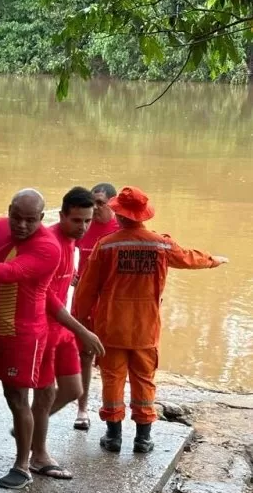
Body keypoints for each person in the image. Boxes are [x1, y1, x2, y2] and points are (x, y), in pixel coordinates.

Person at [0, 189, 103, 490]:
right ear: (8, 210)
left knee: (18, 398)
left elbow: (6, 272)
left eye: (30, 220)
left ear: (41, 218)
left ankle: (23, 465)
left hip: (24, 336)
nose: (22, 225)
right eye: (17, 217)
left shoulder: (48, 248)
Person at [72, 186, 228, 454]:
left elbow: (86, 289)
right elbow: (190, 258)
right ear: (143, 216)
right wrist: (214, 260)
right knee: (144, 380)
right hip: (146, 329)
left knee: (112, 379)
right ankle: (143, 439)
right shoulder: (160, 244)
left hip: (112, 327)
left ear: (119, 215)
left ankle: (113, 438)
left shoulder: (106, 245)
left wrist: (80, 323)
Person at [27, 186, 96, 479]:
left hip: (62, 329)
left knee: (73, 389)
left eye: (88, 221)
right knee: (45, 394)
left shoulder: (72, 243)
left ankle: (27, 425)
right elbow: (46, 298)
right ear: (62, 215)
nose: (83, 227)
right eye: (77, 220)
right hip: (44, 327)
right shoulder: (49, 243)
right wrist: (83, 330)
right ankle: (38, 455)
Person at [71, 182, 119, 430]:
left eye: (101, 203)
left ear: (113, 203)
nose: (95, 208)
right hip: (83, 301)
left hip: (111, 304)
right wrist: (69, 273)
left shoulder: (120, 227)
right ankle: (82, 409)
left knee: (112, 357)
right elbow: (64, 247)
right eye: (93, 202)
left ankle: (113, 414)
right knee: (84, 354)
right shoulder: (83, 224)